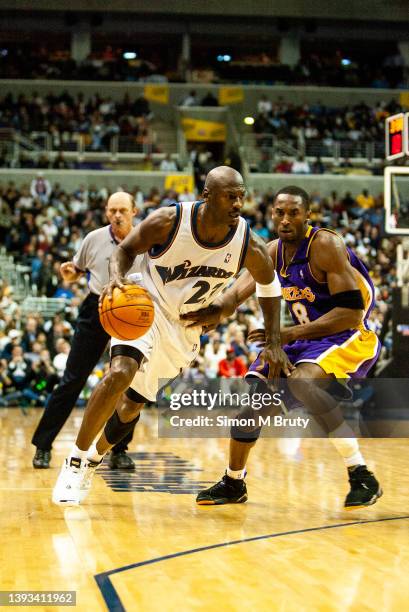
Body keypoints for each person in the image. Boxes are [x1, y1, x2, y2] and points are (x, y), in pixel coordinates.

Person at [51, 166, 292, 505]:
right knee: (120, 372)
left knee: (132, 406)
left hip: (185, 329)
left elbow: (269, 287)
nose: (238, 203)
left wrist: (273, 340)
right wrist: (115, 278)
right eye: (230, 196)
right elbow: (125, 251)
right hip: (144, 307)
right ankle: (75, 460)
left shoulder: (247, 242)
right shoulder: (169, 221)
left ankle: (94, 459)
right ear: (207, 196)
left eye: (241, 196)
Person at [189, 186, 382, 509]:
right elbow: (235, 295)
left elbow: (350, 314)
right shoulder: (272, 251)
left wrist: (285, 336)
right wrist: (211, 312)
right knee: (248, 412)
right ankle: (233, 482)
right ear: (272, 215)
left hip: (346, 334)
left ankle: (361, 474)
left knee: (302, 382)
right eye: (280, 212)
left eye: (294, 212)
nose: (286, 219)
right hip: (300, 339)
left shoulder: (325, 245)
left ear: (308, 215)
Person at [31, 192, 141, 470]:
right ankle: (43, 445)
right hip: (97, 307)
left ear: (134, 211)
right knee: (72, 380)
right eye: (112, 210)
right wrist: (70, 274)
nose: (117, 215)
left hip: (132, 309)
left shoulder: (147, 239)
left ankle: (118, 449)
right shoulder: (93, 238)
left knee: (129, 384)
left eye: (123, 210)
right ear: (106, 212)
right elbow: (77, 270)